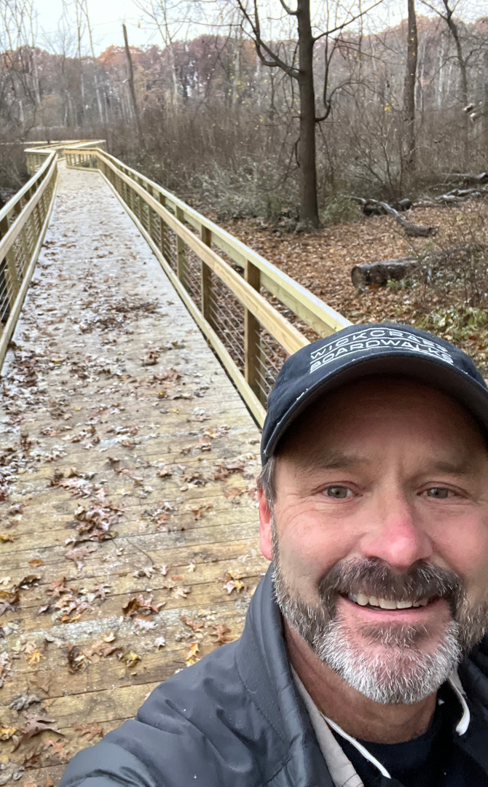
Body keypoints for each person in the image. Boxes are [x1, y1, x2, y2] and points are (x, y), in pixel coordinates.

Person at [60, 323, 488, 787]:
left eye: (442, 492)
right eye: (338, 489)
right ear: (268, 519)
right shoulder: (176, 763)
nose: (399, 547)